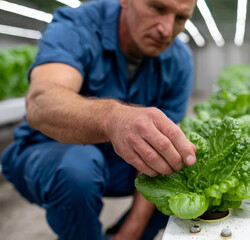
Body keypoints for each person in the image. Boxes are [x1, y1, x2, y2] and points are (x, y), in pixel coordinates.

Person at [1, 0, 198, 239]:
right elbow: (40, 104)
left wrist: (131, 232)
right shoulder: (77, 27)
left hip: (120, 164)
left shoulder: (178, 59)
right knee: (78, 170)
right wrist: (112, 118)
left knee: (183, 173)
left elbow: (157, 150)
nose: (166, 30)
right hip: (48, 153)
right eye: (157, 8)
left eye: (180, 18)